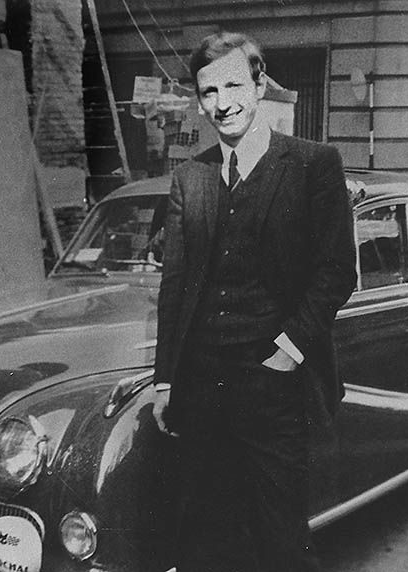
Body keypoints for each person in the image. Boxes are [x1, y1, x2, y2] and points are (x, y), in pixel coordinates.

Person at [152, 32, 357, 572]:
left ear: (260, 85)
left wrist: (287, 352)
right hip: (201, 385)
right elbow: (176, 285)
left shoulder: (313, 164)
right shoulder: (190, 177)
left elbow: (337, 271)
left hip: (273, 385)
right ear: (199, 100)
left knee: (280, 539)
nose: (222, 104)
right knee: (206, 542)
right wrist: (165, 381)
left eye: (234, 86)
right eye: (209, 92)